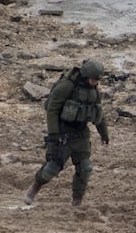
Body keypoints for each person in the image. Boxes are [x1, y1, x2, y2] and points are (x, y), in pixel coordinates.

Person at [23, 57, 110, 214]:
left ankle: (77, 201)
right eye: (93, 79)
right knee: (51, 169)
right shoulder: (66, 86)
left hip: (81, 134)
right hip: (64, 132)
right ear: (85, 76)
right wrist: (54, 135)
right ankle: (35, 186)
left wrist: (104, 133)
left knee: (85, 168)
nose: (95, 83)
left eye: (97, 80)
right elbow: (52, 110)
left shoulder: (94, 92)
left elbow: (99, 113)